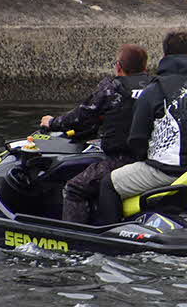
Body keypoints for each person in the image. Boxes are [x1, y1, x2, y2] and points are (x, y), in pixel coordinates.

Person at [98, 31, 187, 223]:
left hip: (165, 172)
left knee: (108, 184)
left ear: (165, 56)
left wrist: (144, 160)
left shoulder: (155, 89)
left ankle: (108, 238)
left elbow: (137, 138)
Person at [39, 44, 150, 224]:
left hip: (122, 159)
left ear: (118, 67)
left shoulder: (111, 89)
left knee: (74, 188)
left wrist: (52, 122)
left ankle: (74, 239)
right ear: (145, 67)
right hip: (151, 158)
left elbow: (81, 116)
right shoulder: (155, 88)